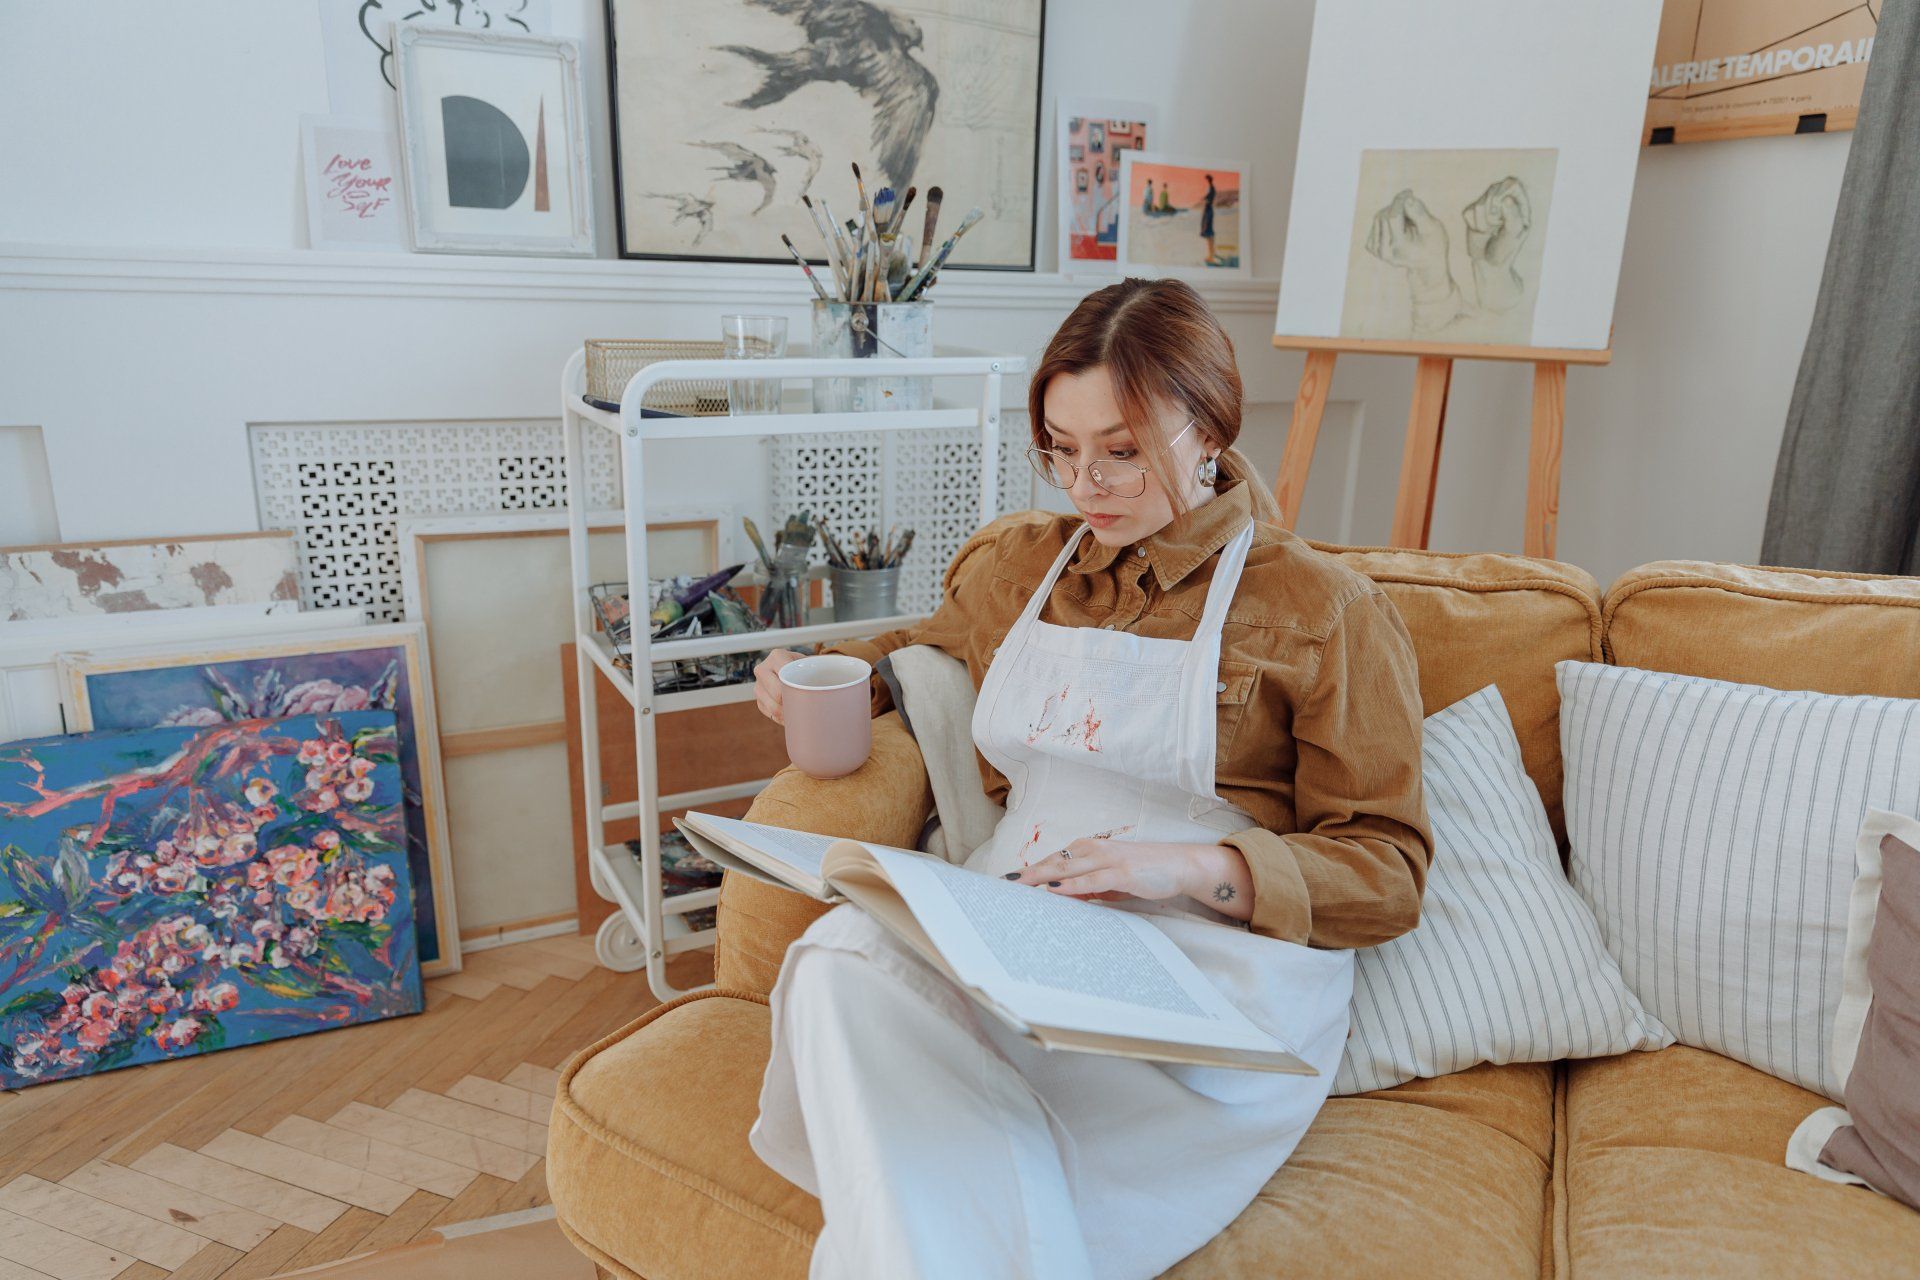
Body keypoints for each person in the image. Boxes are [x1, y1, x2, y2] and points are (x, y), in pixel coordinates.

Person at [748, 276, 1434, 1280]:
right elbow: (923, 649)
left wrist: (1191, 866)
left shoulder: (1322, 608)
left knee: (909, 1156)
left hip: (1203, 977)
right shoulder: (1024, 566)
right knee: (839, 953)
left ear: (1207, 427)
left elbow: (1389, 868)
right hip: (1023, 921)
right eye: (1061, 450)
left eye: (1121, 449)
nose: (1088, 485)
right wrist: (822, 675)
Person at [1201, 172, 1218, 265]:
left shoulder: (1211, 189)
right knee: (1209, 233)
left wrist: (1205, 200)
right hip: (1208, 210)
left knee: (1209, 233)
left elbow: (1208, 200)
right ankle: (1211, 254)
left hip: (1208, 210)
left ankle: (1211, 256)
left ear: (1208, 180)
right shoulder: (1211, 189)